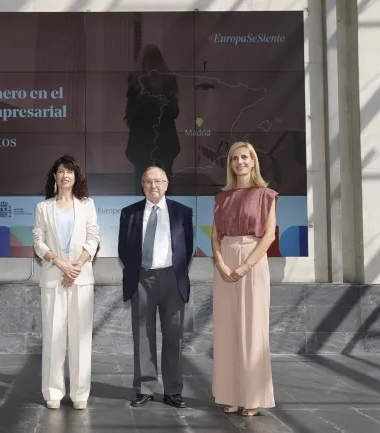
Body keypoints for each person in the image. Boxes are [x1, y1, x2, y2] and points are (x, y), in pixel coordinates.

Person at [211, 141, 277, 417]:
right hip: (225, 262)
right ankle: (231, 395)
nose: (239, 162)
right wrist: (221, 263)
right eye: (235, 158)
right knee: (227, 331)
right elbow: (214, 236)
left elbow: (269, 236)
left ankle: (253, 395)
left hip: (253, 261)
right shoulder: (221, 198)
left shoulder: (266, 195)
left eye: (245, 157)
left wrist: (246, 266)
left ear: (253, 161)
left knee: (252, 330)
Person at [118, 166, 193, 408]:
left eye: (158, 181)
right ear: (142, 184)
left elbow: (186, 248)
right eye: (149, 182)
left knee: (173, 337)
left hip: (172, 279)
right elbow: (124, 248)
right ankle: (145, 389)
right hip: (142, 279)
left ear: (167, 184)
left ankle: (173, 391)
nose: (154, 186)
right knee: (142, 335)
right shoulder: (129, 213)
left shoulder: (182, 212)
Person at [32, 154, 100, 410]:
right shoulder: (43, 208)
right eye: (60, 171)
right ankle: (53, 392)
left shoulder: (87, 205)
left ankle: (80, 393)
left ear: (76, 177)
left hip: (80, 279)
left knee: (81, 338)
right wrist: (61, 265)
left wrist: (78, 266)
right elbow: (38, 242)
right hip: (53, 277)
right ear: (54, 176)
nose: (65, 176)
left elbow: (93, 237)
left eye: (69, 171)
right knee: (53, 336)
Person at [124, 45, 180, 194]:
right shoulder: (138, 81)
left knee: (149, 178)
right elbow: (174, 111)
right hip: (152, 139)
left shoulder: (138, 81)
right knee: (157, 177)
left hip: (152, 138)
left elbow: (131, 113)